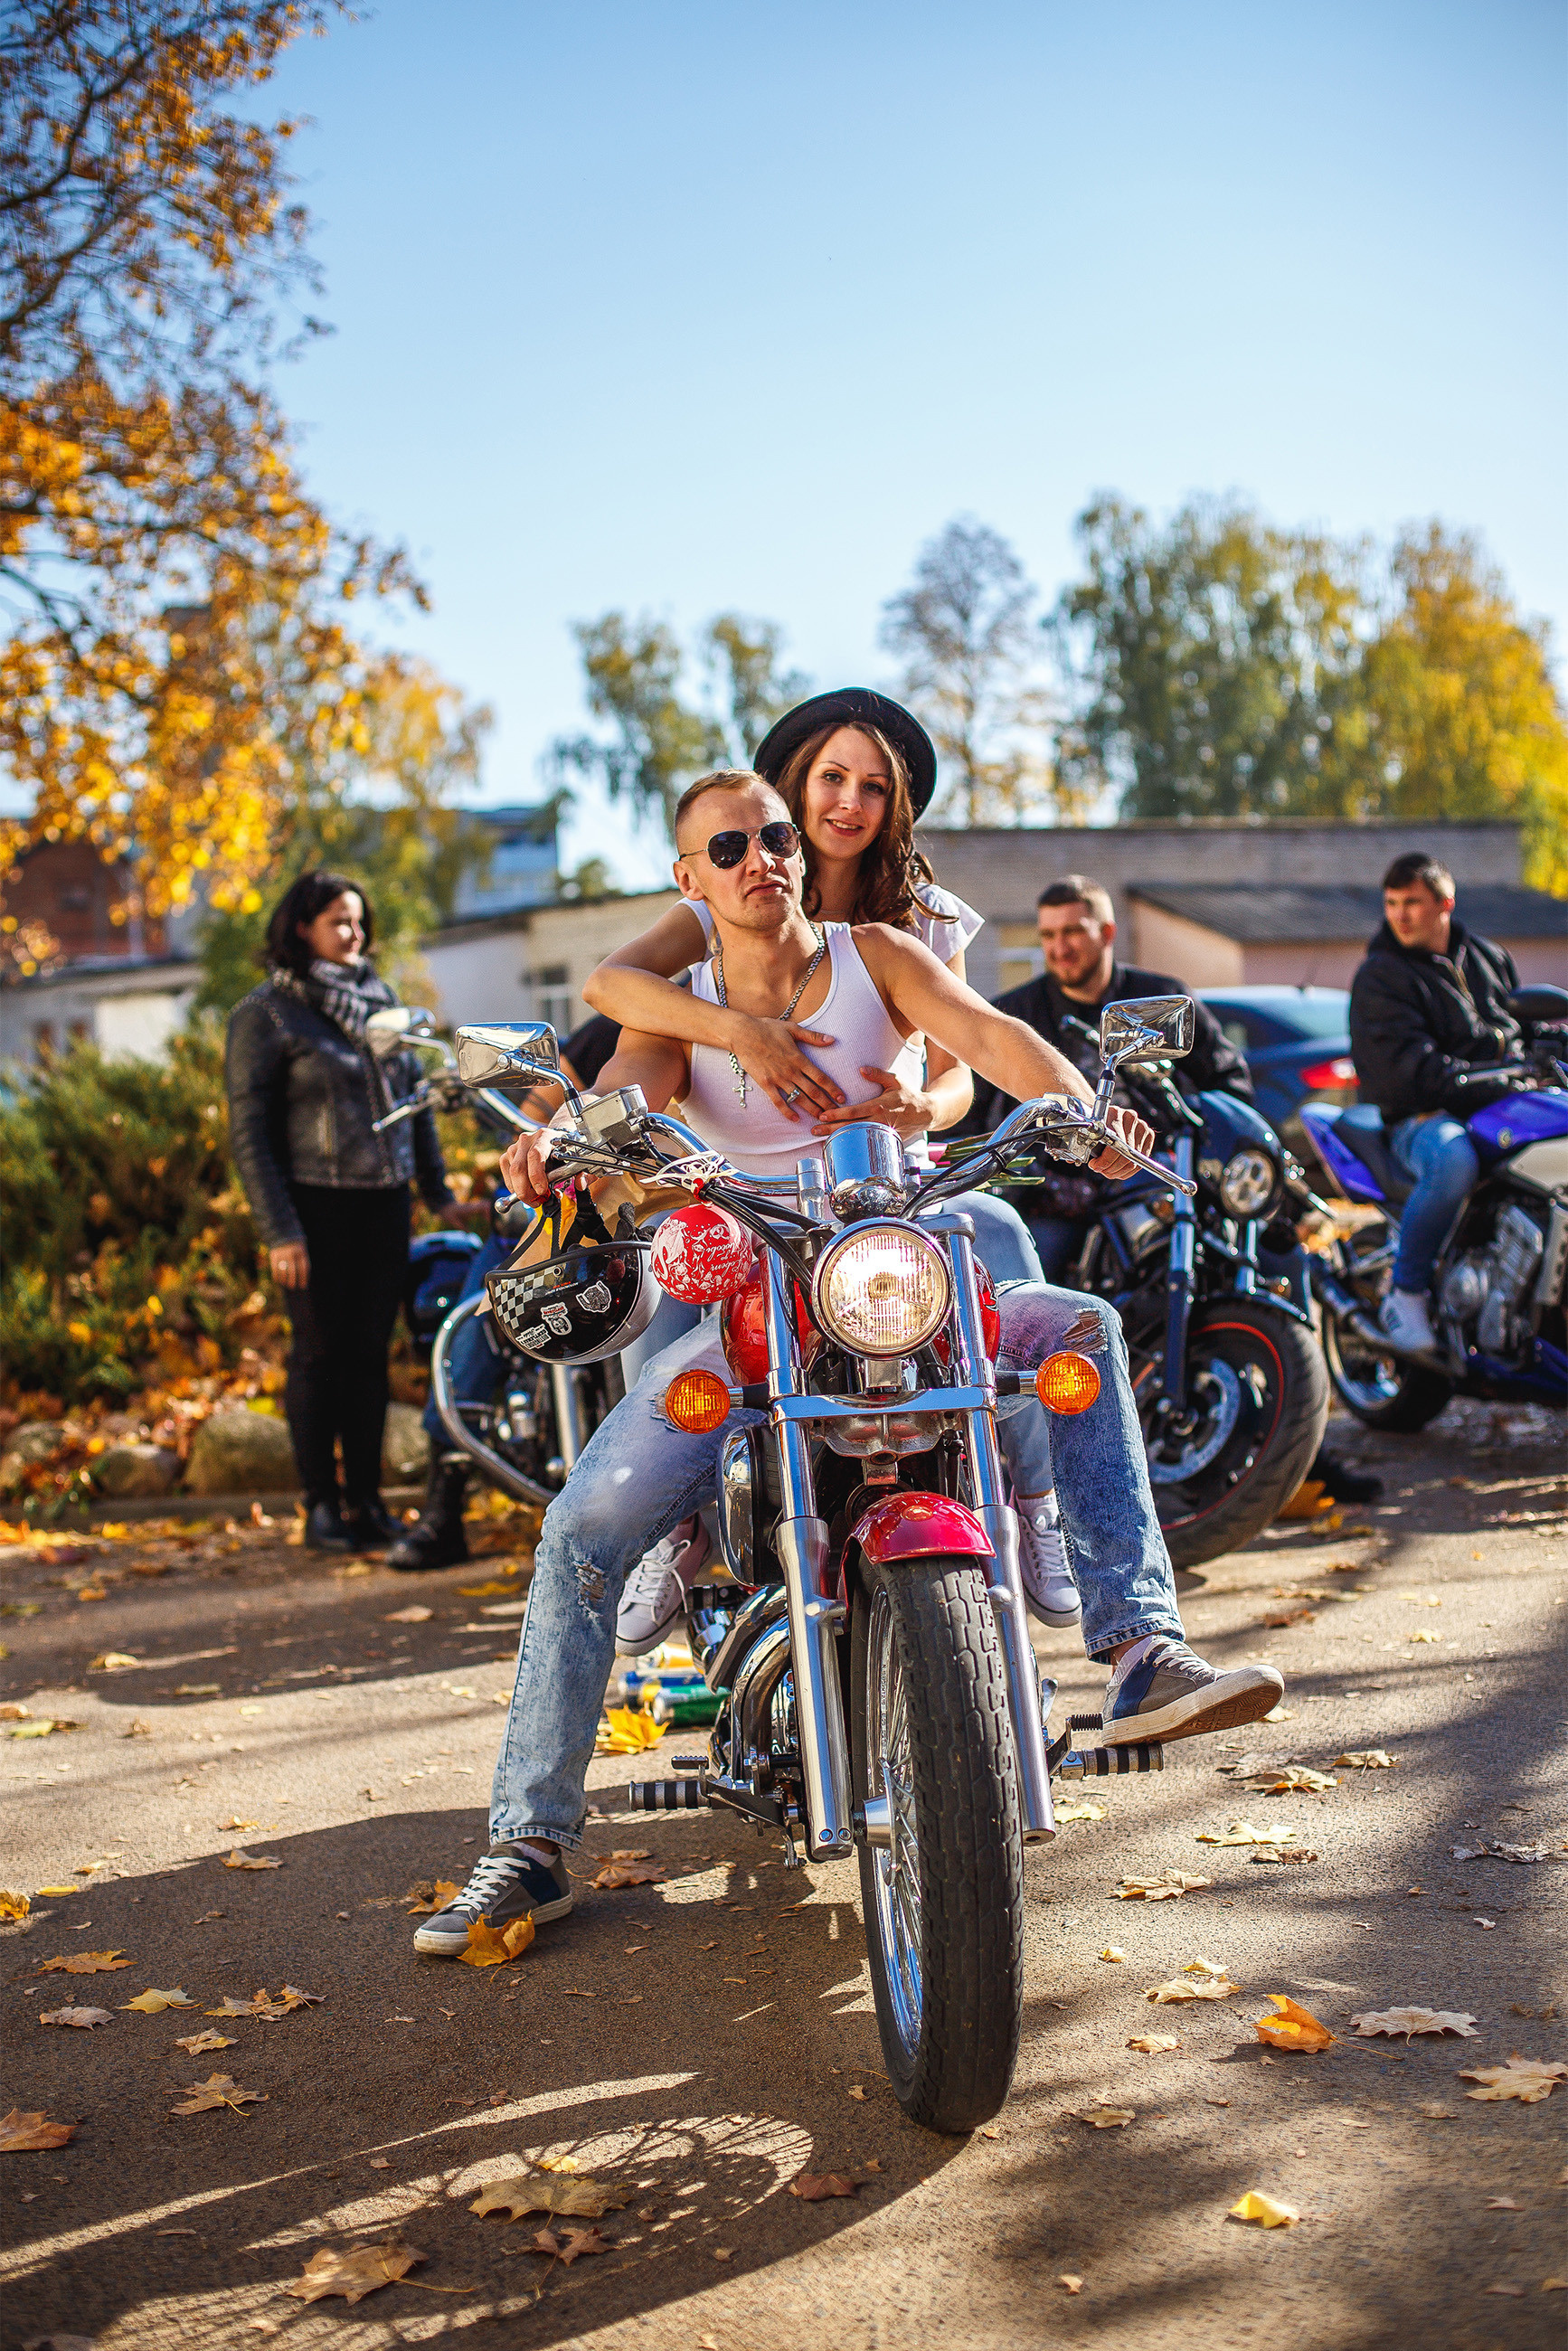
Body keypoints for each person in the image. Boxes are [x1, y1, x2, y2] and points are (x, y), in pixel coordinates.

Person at [411, 770, 1284, 1958]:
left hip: (901, 1280)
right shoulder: (676, 1007)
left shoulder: (879, 954)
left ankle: (1138, 1646)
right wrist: (561, 1145)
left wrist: (1086, 1109)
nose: (761, 855)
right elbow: (620, 1099)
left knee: (1070, 1324)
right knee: (581, 1532)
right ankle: (527, 1841)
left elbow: (995, 1039)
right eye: (731, 845)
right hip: (756, 1312)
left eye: (775, 835)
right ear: (691, 879)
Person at [583, 687, 1078, 1643]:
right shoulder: (722, 907)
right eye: (829, 779)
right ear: (791, 791)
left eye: (874, 786)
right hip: (757, 1204)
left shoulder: (908, 931)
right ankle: (669, 1516)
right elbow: (618, 1001)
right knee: (667, 1271)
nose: (848, 802)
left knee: (1006, 1246)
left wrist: (939, 1107)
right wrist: (743, 1036)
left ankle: (1035, 1494)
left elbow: (972, 1059)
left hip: (891, 1175)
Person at [226, 872, 458, 1553]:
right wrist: (280, 1230)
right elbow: (249, 1133)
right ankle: (319, 1507)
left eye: (359, 923)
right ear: (303, 928)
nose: (355, 935)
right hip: (312, 1207)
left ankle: (366, 1503)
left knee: (368, 1359)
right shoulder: (267, 1014)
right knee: (318, 1356)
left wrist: (438, 1194)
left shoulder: (381, 1004)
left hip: (383, 1203)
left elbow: (413, 1104)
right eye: (339, 922)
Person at [385, 1012, 626, 1571]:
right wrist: (548, 1144)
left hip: (665, 1215)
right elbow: (535, 1115)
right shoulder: (626, 1019)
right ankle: (444, 1505)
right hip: (574, 1201)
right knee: (491, 1289)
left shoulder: (718, 1014)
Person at [959, 874, 1252, 1281]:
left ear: (1108, 933)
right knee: (1026, 1298)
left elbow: (1228, 1084)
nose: (1059, 948)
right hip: (1051, 1200)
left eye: (1073, 932)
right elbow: (967, 1113)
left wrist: (1191, 1140)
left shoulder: (1161, 1001)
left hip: (1152, 1186)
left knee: (1222, 1270)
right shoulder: (1015, 1013)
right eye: (1048, 934)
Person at [1349, 851, 1524, 1355]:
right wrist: (1500, 1081)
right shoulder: (1381, 976)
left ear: (1446, 902)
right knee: (1453, 1161)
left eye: (1413, 903)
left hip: (1496, 1108)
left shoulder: (1489, 958)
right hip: (1422, 1118)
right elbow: (1413, 1073)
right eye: (1391, 903)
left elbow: (1522, 1027)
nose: (1400, 915)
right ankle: (1405, 1295)